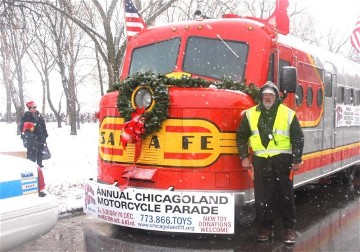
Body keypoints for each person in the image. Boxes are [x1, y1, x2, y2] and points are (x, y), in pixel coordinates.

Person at [236, 81, 304, 245]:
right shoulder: (250, 114)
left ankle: (289, 229)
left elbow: (298, 137)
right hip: (260, 162)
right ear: (261, 97)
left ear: (276, 97)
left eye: (271, 95)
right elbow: (241, 136)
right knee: (262, 197)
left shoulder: (287, 114)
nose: (268, 97)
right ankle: (265, 228)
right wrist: (244, 156)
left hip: (282, 161)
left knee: (285, 196)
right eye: (265, 95)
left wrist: (296, 159)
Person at [20, 101, 48, 168]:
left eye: (35, 107)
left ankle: (39, 164)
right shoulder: (27, 116)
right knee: (31, 152)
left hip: (40, 137)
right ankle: (30, 166)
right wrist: (30, 131)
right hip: (31, 138)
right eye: (32, 108)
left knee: (40, 151)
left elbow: (43, 125)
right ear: (29, 108)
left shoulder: (39, 115)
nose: (34, 109)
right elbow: (22, 127)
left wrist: (45, 134)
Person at [22, 121, 46, 197]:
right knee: (37, 173)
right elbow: (32, 144)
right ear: (29, 128)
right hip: (31, 156)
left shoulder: (27, 134)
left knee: (36, 172)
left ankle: (38, 189)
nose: (33, 128)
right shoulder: (29, 135)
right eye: (32, 127)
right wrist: (40, 144)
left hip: (31, 155)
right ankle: (39, 190)